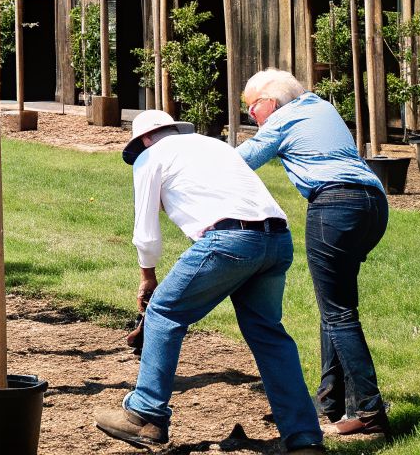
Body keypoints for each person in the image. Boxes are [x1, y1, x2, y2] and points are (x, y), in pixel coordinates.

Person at [94, 110, 326, 454]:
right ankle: (304, 438)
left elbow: (146, 232)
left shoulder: (150, 157)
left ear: (144, 139)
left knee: (164, 312)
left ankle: (145, 414)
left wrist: (148, 278)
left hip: (229, 241)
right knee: (268, 335)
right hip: (277, 240)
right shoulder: (213, 146)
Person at [237, 68, 391, 441]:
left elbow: (239, 161)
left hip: (334, 205)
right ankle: (329, 404)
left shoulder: (282, 119)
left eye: (251, 109)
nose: (251, 117)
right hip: (373, 203)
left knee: (338, 313)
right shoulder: (321, 107)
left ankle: (370, 411)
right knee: (334, 307)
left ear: (270, 102)